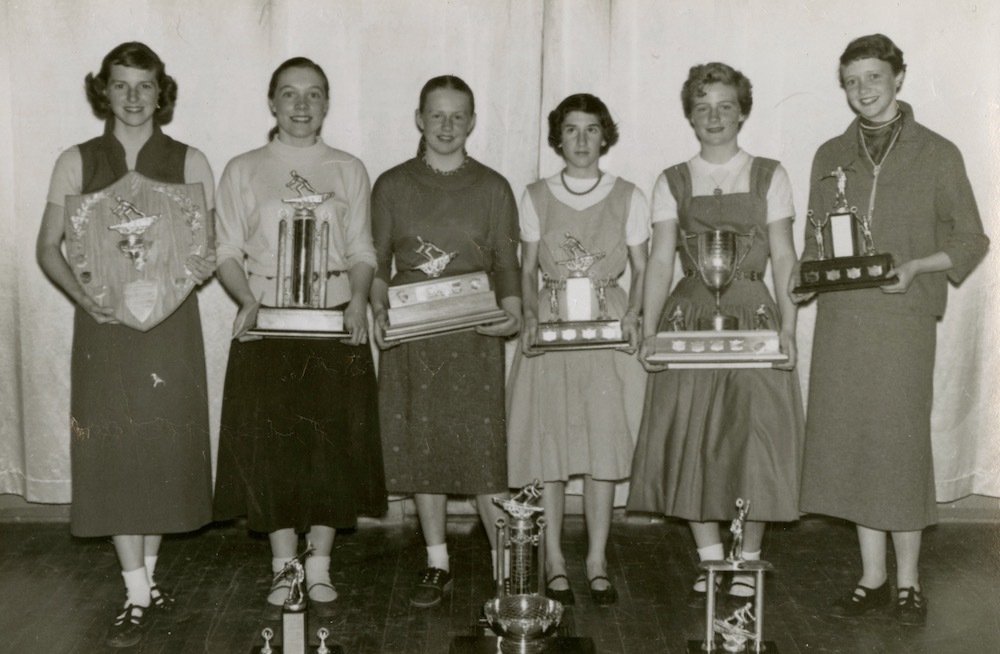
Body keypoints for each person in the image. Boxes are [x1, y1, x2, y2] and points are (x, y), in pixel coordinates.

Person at [795, 34, 989, 626]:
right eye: (852, 80)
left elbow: (970, 238)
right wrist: (805, 281)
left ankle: (908, 582)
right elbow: (815, 242)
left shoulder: (938, 152)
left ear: (899, 78)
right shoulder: (830, 154)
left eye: (874, 77)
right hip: (842, 323)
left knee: (898, 451)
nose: (863, 90)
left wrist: (915, 268)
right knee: (853, 446)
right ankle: (872, 577)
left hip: (902, 321)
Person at [35, 42, 216, 648]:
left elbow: (203, 252)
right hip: (104, 327)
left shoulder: (190, 159)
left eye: (145, 85)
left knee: (160, 451)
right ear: (103, 91)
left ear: (161, 91)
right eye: (121, 85)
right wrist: (87, 301)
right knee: (113, 451)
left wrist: (166, 290)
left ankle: (145, 583)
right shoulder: (76, 159)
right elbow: (48, 247)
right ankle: (137, 592)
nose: (134, 98)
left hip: (169, 328)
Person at [212, 57, 387, 621]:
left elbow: (362, 248)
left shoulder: (347, 167)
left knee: (330, 447)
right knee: (274, 449)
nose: (301, 105)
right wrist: (247, 301)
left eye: (313, 94)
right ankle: (284, 567)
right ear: (271, 102)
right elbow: (226, 251)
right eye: (289, 94)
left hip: (334, 317)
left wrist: (358, 300)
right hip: (269, 320)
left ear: (327, 103)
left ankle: (320, 568)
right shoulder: (243, 168)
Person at [627, 62, 804, 605]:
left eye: (725, 106)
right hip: (689, 317)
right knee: (691, 432)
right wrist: (653, 332)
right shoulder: (671, 180)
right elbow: (659, 262)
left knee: (756, 436)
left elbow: (782, 255)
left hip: (753, 314)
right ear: (690, 115)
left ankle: (747, 559)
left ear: (743, 111)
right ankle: (708, 556)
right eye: (702, 107)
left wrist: (790, 330)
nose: (714, 117)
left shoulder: (771, 173)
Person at [370, 75, 522, 609]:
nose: (447, 125)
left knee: (483, 453)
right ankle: (437, 561)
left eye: (459, 116)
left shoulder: (494, 187)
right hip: (413, 340)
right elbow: (379, 264)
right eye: (437, 115)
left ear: (473, 122)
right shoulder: (391, 184)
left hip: (474, 336)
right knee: (422, 449)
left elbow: (507, 263)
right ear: (419, 119)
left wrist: (514, 311)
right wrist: (377, 310)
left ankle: (511, 572)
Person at [505, 93, 649, 606]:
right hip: (553, 319)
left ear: (604, 135)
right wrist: (527, 316)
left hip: (607, 324)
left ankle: (596, 559)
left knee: (603, 445)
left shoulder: (629, 194)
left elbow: (645, 264)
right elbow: (525, 269)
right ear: (557, 137)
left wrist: (635, 315)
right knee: (551, 445)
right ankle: (554, 561)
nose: (582, 140)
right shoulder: (535, 194)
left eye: (592, 129)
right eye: (571, 130)